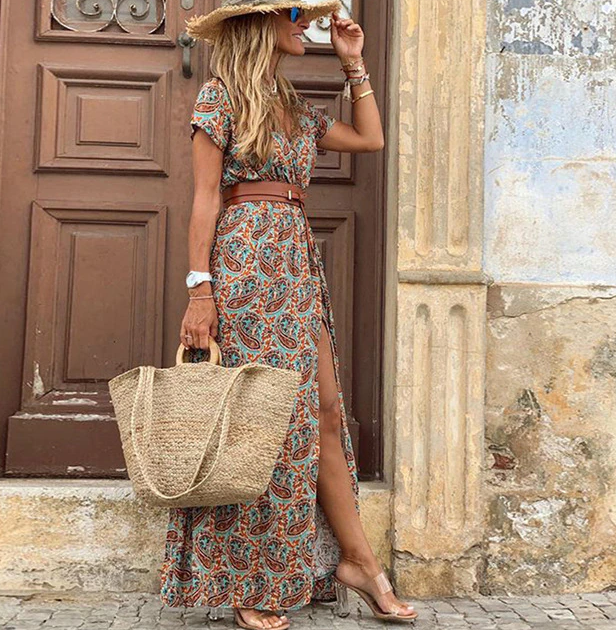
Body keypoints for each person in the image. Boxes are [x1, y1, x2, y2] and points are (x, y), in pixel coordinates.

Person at [159, 1, 418, 628]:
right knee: (259, 422)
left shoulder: (293, 106)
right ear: (260, 25)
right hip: (246, 266)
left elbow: (370, 139)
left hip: (296, 263)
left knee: (324, 411)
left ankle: (358, 562)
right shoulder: (219, 99)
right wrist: (200, 292)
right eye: (294, 13)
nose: (306, 23)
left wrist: (354, 63)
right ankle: (251, 579)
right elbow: (204, 199)